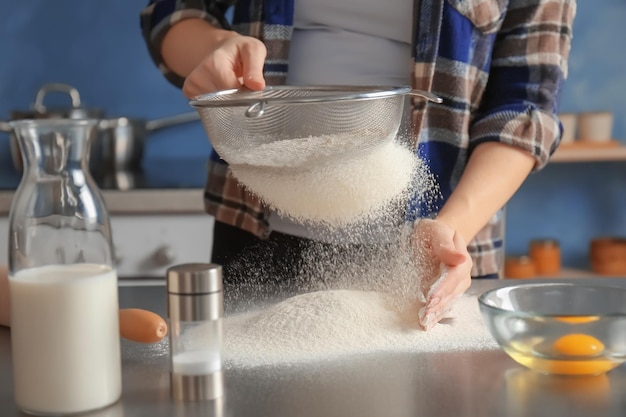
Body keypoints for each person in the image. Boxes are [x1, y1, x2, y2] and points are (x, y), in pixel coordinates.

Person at [140, 0, 576, 329]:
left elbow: (524, 108)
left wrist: (452, 229)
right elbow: (173, 11)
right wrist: (215, 46)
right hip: (255, 226)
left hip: (429, 249)